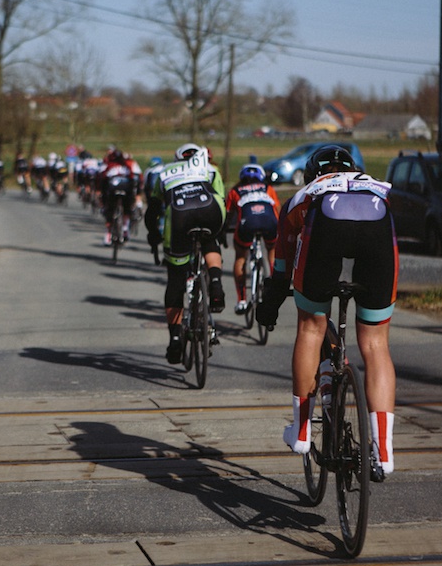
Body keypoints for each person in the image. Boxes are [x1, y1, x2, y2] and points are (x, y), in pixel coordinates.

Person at [256, 144, 398, 481]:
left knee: (310, 329)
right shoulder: (376, 186)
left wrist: (271, 303)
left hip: (325, 234)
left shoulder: (305, 194)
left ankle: (302, 432)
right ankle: (385, 451)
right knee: (376, 345)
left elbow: (282, 263)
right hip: (378, 236)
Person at [145, 143, 227, 364]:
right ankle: (216, 283)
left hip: (180, 217)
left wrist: (153, 235)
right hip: (210, 210)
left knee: (176, 279)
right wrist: (222, 232)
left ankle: (174, 339)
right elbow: (221, 199)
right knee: (210, 238)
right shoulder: (210, 169)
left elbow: (153, 209)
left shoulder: (163, 172)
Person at [225, 163, 281, 314]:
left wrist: (225, 231)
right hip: (270, 222)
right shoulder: (268, 188)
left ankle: (242, 300)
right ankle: (276, 285)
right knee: (272, 249)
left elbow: (228, 215)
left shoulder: (235, 190)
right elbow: (277, 209)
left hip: (247, 224)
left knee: (240, 256)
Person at [98, 147, 139, 246]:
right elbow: (136, 178)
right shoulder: (129, 164)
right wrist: (137, 194)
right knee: (127, 208)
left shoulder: (109, 164)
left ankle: (108, 235)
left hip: (112, 190)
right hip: (126, 189)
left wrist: (100, 194)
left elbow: (102, 178)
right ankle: (125, 229)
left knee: (109, 211)